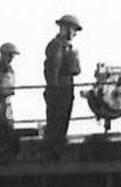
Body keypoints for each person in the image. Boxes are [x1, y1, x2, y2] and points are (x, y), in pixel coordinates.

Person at [43, 14, 83, 159]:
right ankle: (52, 153)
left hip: (66, 89)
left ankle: (55, 150)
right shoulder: (57, 46)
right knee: (56, 124)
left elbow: (76, 70)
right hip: (59, 90)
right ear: (64, 28)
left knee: (62, 123)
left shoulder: (67, 47)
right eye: (73, 30)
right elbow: (53, 69)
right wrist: (54, 90)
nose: (74, 34)